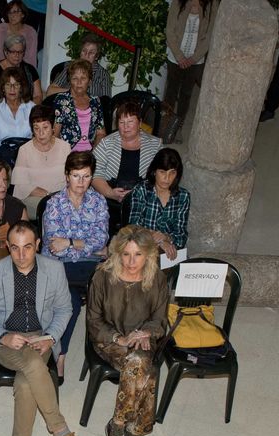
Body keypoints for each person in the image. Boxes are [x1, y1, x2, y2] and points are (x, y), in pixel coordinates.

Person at [0, 221, 90, 436]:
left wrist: (50, 337)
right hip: (5, 342)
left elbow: (65, 310)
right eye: (14, 248)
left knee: (27, 383)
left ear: (37, 245)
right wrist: (3, 336)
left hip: (41, 338)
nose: (21, 255)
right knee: (33, 365)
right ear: (7, 247)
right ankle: (60, 431)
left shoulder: (54, 269)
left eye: (27, 247)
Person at [86, 226, 170, 436]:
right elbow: (93, 320)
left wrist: (145, 333)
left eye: (138, 255)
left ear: (149, 255)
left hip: (143, 339)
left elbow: (160, 318)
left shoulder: (157, 278)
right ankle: (133, 427)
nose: (132, 261)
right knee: (145, 367)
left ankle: (118, 425)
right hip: (108, 339)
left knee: (138, 361)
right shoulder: (102, 276)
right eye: (126, 254)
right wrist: (119, 338)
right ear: (118, 253)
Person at [40, 150, 109, 369]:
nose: (81, 182)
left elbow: (102, 238)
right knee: (70, 303)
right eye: (76, 175)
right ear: (67, 175)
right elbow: (54, 246)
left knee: (113, 293)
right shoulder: (54, 204)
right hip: (59, 266)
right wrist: (87, 246)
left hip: (89, 266)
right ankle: (61, 355)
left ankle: (111, 350)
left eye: (86, 176)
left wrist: (69, 243)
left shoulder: (99, 202)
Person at [91, 98, 161, 212]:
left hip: (144, 200)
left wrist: (139, 193)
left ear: (140, 123)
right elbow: (94, 171)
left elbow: (161, 175)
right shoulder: (106, 143)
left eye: (130, 122)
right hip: (108, 199)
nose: (125, 126)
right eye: (122, 122)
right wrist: (110, 193)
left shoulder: (155, 145)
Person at [163, 0, 217, 144]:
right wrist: (180, 56)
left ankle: (178, 127)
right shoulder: (178, 2)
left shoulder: (211, 6)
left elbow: (210, 36)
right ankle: (164, 125)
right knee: (170, 92)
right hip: (175, 57)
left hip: (195, 60)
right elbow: (170, 30)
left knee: (186, 95)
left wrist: (193, 58)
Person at [127, 147, 189, 261]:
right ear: (154, 171)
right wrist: (158, 240)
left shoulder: (183, 196)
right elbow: (133, 227)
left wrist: (166, 238)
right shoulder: (141, 190)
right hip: (142, 247)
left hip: (169, 252)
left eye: (172, 173)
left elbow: (181, 236)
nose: (167, 178)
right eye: (162, 172)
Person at [11, 105, 69, 216]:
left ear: (53, 128)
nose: (41, 133)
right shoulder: (24, 150)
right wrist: (48, 196)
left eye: (45, 127)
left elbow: (70, 178)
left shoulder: (65, 147)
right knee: (51, 209)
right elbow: (21, 186)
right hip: (34, 200)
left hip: (62, 198)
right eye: (36, 128)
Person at [0, 66, 34, 162]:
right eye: (8, 85)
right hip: (1, 159)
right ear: (3, 88)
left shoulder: (31, 107)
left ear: (21, 88)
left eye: (16, 85)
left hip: (27, 157)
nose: (12, 89)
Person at [51, 59, 105, 152]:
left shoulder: (95, 101)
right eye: (75, 78)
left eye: (83, 78)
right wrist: (63, 154)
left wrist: (94, 154)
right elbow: (55, 133)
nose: (79, 82)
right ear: (70, 81)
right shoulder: (61, 100)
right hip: (67, 153)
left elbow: (101, 133)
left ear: (90, 81)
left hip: (90, 153)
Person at [0, 34, 42, 106]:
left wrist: (24, 107)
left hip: (26, 110)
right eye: (13, 52)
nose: (17, 55)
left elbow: (38, 96)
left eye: (20, 52)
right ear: (5, 52)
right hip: (0, 111)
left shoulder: (30, 70)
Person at [47, 32, 113, 98]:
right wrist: (73, 92)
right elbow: (50, 91)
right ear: (80, 52)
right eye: (84, 51)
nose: (87, 55)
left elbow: (106, 102)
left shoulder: (103, 74)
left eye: (91, 52)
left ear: (97, 56)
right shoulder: (70, 67)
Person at [0, 1, 37, 68]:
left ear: (23, 14)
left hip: (22, 69)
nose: (12, 15)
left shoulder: (30, 32)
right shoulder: (1, 29)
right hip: (2, 67)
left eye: (16, 12)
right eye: (9, 12)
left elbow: (31, 58)